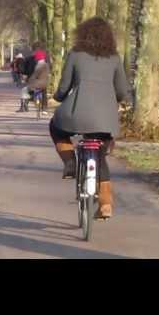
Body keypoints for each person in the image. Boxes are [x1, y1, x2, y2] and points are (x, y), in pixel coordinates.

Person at [50, 17, 131, 220]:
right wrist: (121, 99)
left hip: (76, 113)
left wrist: (58, 97)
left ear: (82, 33)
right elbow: (122, 89)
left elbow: (64, 85)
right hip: (105, 118)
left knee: (55, 127)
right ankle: (105, 204)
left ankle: (69, 162)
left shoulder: (75, 54)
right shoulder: (114, 57)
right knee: (100, 154)